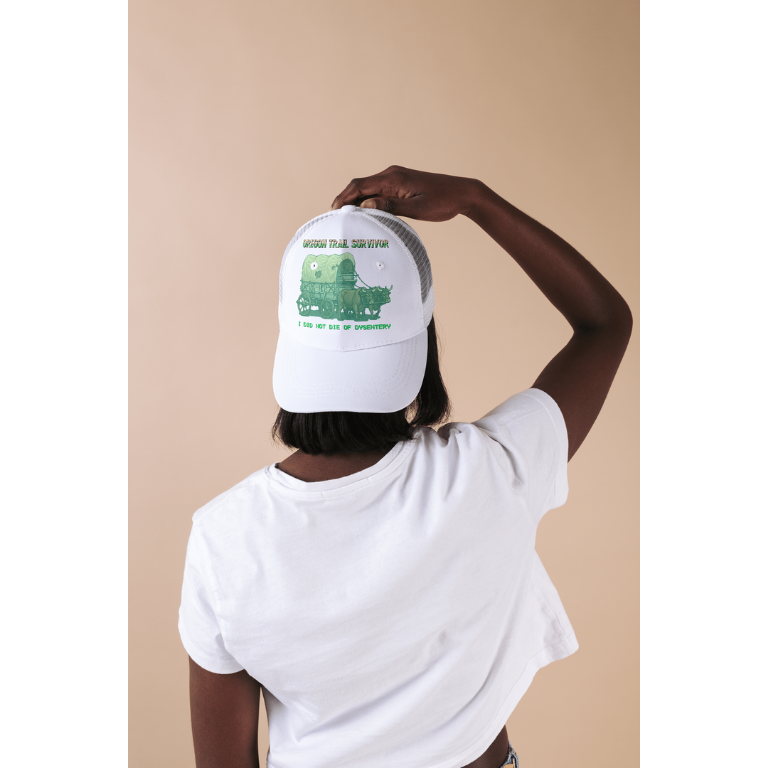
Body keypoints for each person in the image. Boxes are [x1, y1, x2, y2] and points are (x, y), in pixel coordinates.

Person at [180, 166, 633, 768]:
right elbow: (604, 323)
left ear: (292, 344)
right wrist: (476, 200)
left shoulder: (222, 539)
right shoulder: (492, 470)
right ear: (420, 348)